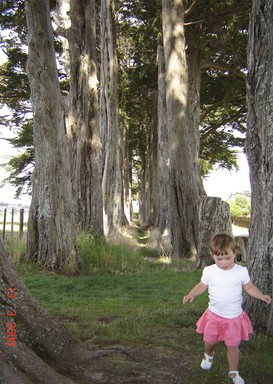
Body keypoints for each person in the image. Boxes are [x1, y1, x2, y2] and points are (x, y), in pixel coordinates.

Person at [183, 233, 272, 384]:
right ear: (212, 255)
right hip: (214, 316)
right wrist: (192, 293)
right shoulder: (209, 271)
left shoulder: (241, 271)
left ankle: (233, 373)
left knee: (232, 346)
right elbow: (202, 285)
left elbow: (249, 287)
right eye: (219, 259)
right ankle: (209, 354)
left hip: (233, 318)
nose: (224, 262)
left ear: (235, 253)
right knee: (210, 341)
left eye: (228, 258)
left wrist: (261, 295)